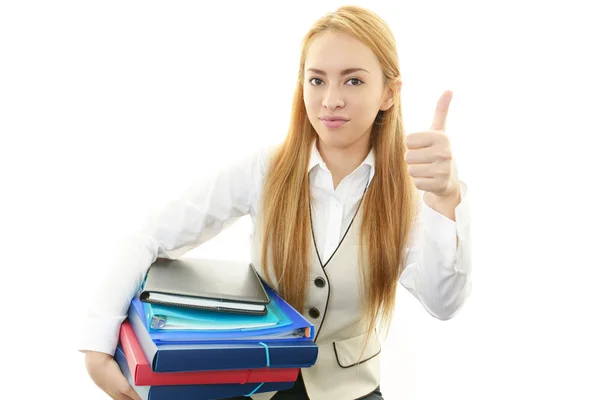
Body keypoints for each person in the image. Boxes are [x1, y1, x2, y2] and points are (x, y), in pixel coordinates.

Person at [79, 5, 472, 400]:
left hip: (352, 391)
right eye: (317, 80)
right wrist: (97, 344)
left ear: (389, 93)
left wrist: (445, 197)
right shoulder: (264, 169)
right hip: (254, 385)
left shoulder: (410, 188)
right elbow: (148, 236)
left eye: (353, 81)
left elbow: (443, 304)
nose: (330, 100)